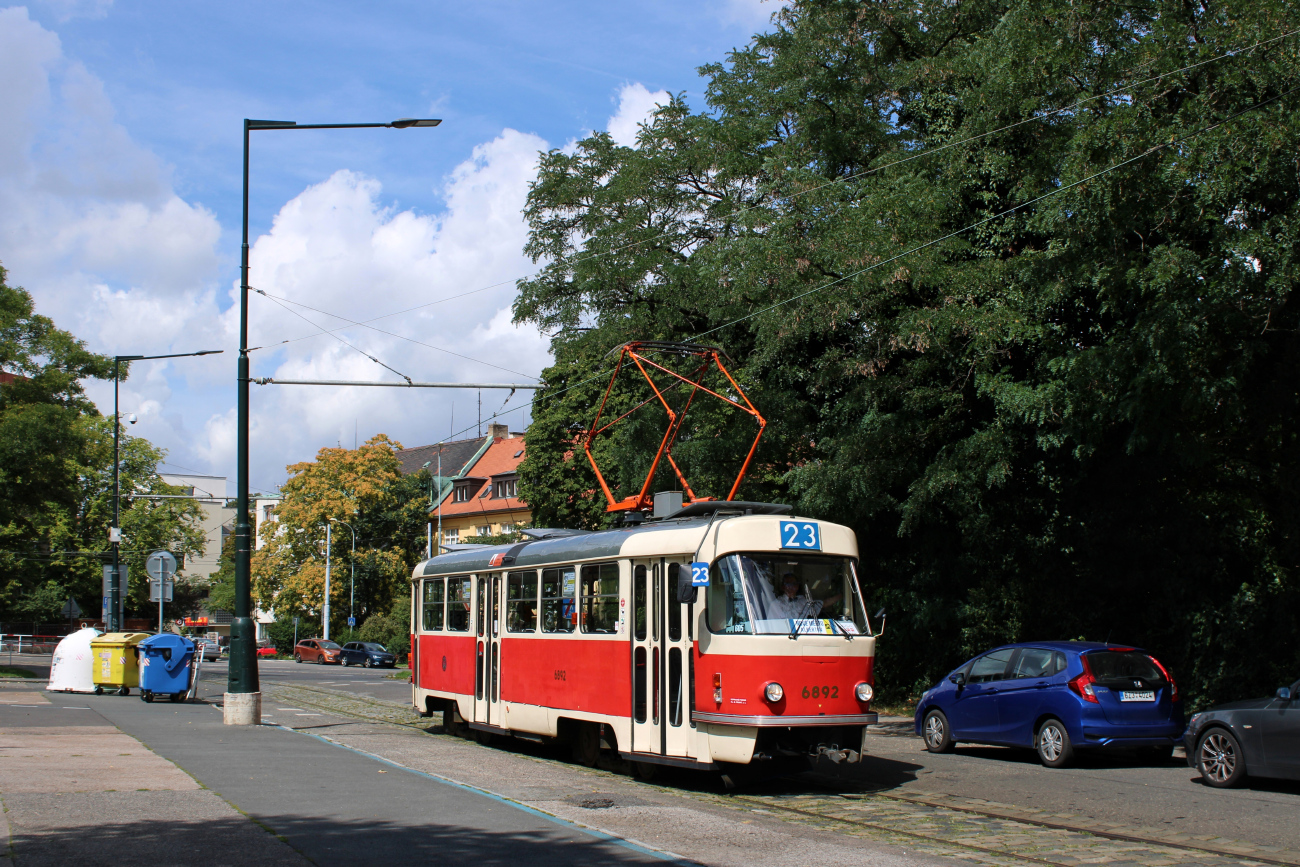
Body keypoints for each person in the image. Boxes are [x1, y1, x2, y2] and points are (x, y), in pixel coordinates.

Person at [768, 573, 842, 620]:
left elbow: (823, 604)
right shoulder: (775, 604)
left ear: (797, 586)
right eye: (787, 584)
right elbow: (771, 627)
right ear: (782, 587)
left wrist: (842, 595)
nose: (790, 587)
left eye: (794, 584)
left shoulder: (803, 601)